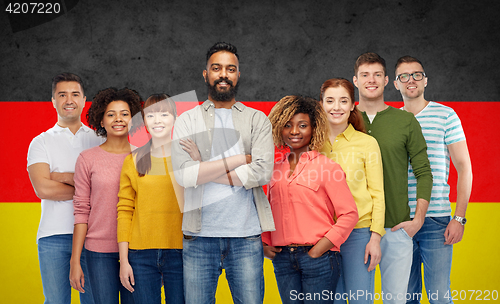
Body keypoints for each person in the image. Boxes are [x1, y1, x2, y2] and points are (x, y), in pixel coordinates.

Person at [171, 41, 275, 304]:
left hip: (246, 238)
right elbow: (184, 176)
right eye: (216, 68)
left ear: (238, 75)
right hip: (199, 238)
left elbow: (262, 173)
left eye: (230, 69)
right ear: (206, 74)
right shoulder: (187, 120)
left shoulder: (257, 119)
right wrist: (240, 159)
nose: (223, 74)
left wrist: (202, 166)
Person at [353, 52, 433, 304]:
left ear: (387, 80)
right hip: (354, 228)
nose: (371, 80)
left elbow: (424, 173)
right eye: (365, 75)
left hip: (396, 227)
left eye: (377, 74)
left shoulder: (405, 121)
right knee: (356, 300)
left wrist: (417, 220)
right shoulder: (343, 119)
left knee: (396, 301)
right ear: (356, 81)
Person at [262, 95, 359, 304]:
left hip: (319, 258)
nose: (295, 131)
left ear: (314, 128)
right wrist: (265, 242)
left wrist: (319, 249)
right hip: (283, 259)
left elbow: (349, 214)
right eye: (288, 125)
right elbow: (266, 209)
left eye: (302, 125)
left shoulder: (327, 167)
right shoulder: (273, 169)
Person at [394, 56, 472, 304]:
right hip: (399, 222)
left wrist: (458, 218)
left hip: (436, 220)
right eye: (403, 76)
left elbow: (464, 168)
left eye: (417, 74)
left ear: (425, 80)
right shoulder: (390, 121)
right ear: (395, 84)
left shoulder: (445, 115)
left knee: (439, 297)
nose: (411, 80)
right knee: (406, 297)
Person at [27, 72, 100, 304]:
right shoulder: (40, 142)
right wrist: (89, 189)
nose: (69, 100)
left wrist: (61, 177)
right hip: (53, 236)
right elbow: (44, 189)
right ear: (53, 101)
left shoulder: (99, 140)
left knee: (94, 300)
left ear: (84, 99)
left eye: (75, 94)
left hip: (94, 235)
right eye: (62, 94)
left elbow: (111, 187)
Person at [69, 87, 142, 304]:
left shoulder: (145, 156)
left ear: (133, 119)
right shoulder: (87, 158)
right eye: (111, 114)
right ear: (101, 121)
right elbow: (82, 212)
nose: (118, 119)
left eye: (125, 114)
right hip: (98, 252)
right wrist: (75, 260)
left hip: (137, 251)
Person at [319, 78, 385, 304]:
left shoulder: (367, 143)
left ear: (352, 105)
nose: (336, 107)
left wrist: (375, 238)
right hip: (322, 235)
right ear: (321, 105)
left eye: (343, 101)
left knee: (360, 300)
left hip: (358, 234)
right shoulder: (311, 144)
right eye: (330, 100)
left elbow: (378, 194)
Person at [117, 94, 184, 304]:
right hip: (141, 255)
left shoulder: (188, 156)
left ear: (174, 118)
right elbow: (125, 210)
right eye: (151, 115)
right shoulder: (133, 160)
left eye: (164, 114)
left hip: (181, 252)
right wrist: (124, 260)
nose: (158, 120)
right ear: (144, 121)